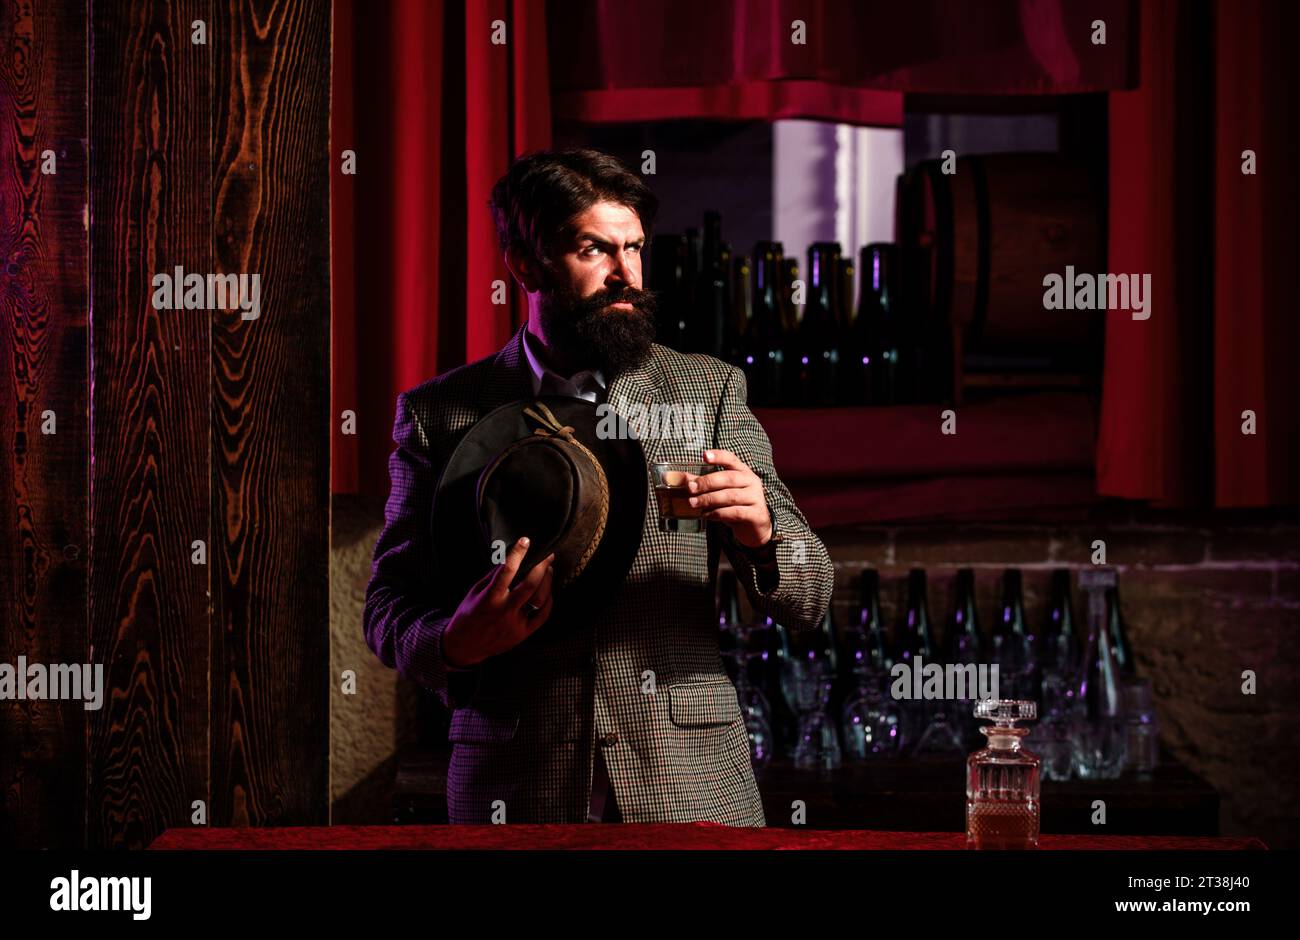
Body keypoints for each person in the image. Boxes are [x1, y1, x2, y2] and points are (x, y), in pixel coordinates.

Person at [363, 148, 834, 825]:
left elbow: (812, 595)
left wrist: (764, 540)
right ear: (526, 264)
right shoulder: (441, 413)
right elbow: (387, 609)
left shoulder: (708, 391)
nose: (627, 275)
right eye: (595, 250)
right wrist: (456, 643)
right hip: (517, 795)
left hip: (691, 793)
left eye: (635, 248)